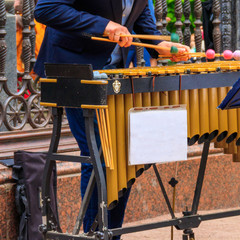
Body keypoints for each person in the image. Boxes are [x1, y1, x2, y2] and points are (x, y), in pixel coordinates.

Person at [33, 0, 190, 237]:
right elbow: (46, 9)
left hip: (113, 74)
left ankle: (111, 233)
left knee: (126, 155)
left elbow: (140, 15)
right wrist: (104, 26)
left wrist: (161, 45)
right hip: (73, 68)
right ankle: (94, 233)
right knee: (100, 154)